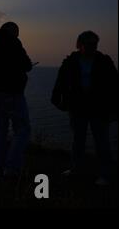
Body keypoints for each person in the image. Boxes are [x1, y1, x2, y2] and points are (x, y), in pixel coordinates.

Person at [52, 31, 117, 186]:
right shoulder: (70, 62)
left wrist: (115, 109)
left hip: (99, 108)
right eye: (88, 44)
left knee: (102, 143)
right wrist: (56, 99)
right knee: (77, 141)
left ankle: (105, 174)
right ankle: (76, 170)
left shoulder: (105, 61)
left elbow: (115, 84)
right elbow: (60, 81)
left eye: (94, 44)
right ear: (79, 45)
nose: (91, 47)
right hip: (78, 107)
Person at [0, 22, 33, 180]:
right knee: (22, 129)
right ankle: (11, 168)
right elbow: (26, 65)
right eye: (17, 32)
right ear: (13, 32)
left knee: (1, 128)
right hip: (13, 92)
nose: (18, 35)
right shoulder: (14, 44)